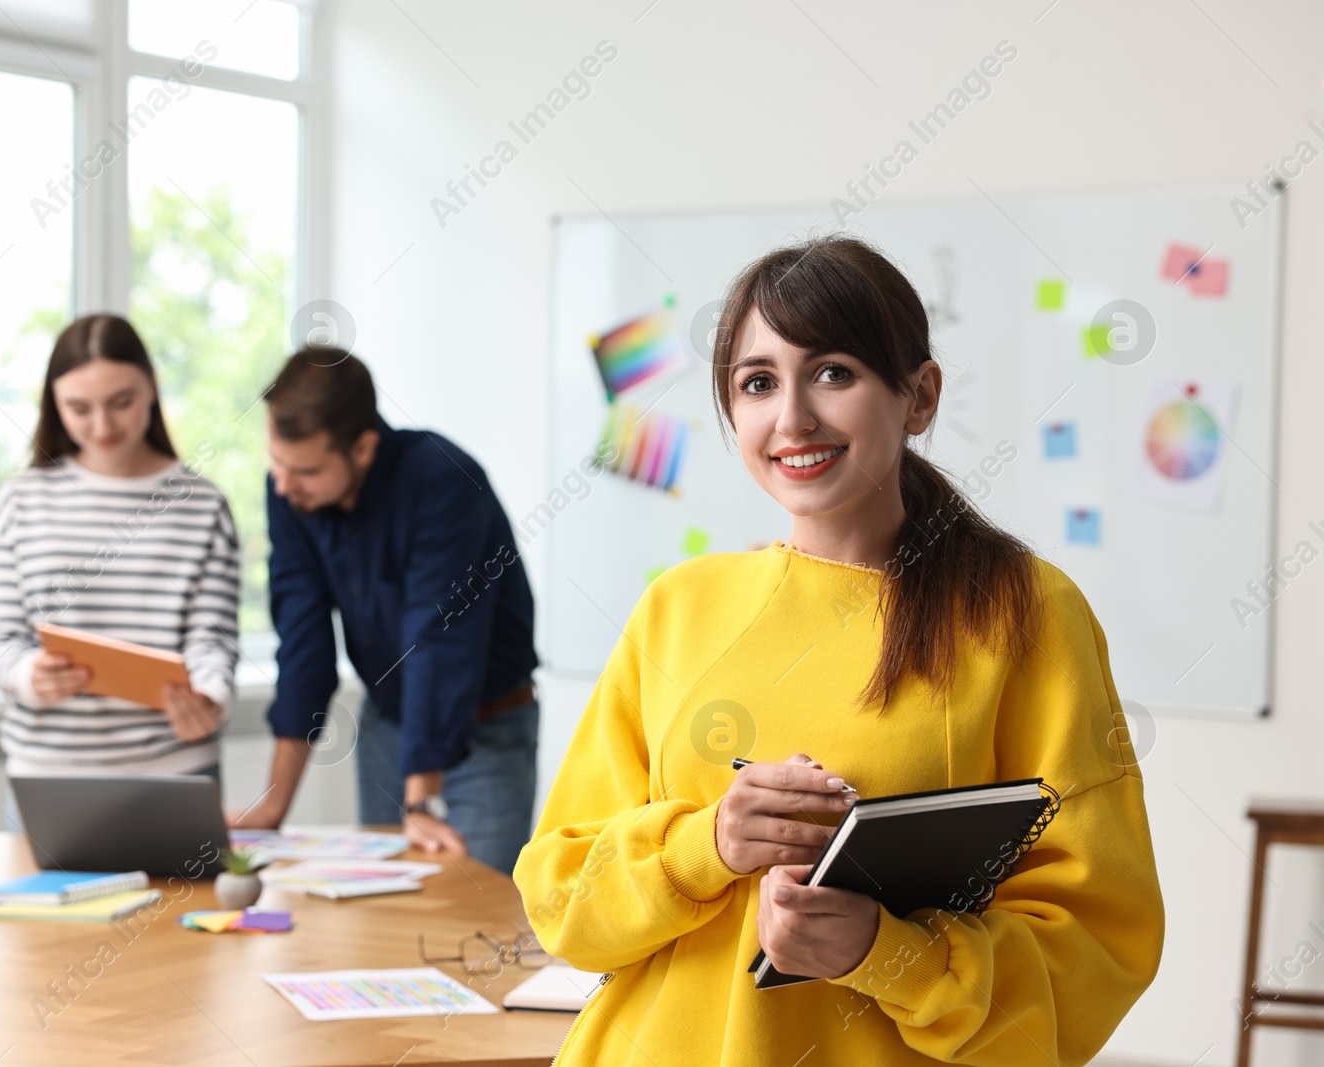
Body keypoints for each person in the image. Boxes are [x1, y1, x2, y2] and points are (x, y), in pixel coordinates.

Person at [515, 237, 1164, 1065]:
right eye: (757, 383)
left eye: (833, 372)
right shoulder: (677, 606)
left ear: (918, 395)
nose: (792, 419)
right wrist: (706, 843)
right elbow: (561, 898)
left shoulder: (1025, 611)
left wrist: (884, 952)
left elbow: (1099, 944)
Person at [230, 348, 539, 876]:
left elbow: (436, 639)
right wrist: (272, 807)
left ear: (364, 446)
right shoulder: (290, 493)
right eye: (275, 463)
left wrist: (419, 804)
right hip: (388, 724)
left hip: (487, 731)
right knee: (388, 914)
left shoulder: (444, 481)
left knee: (473, 911)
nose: (282, 484)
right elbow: (303, 644)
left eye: (303, 469)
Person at [0, 314, 240, 796]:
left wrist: (210, 696)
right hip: (47, 776)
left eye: (121, 403)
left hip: (177, 771)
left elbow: (212, 640)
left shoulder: (203, 503)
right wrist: (29, 674)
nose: (102, 426)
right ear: (53, 403)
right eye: (79, 408)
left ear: (152, 389)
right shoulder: (19, 499)